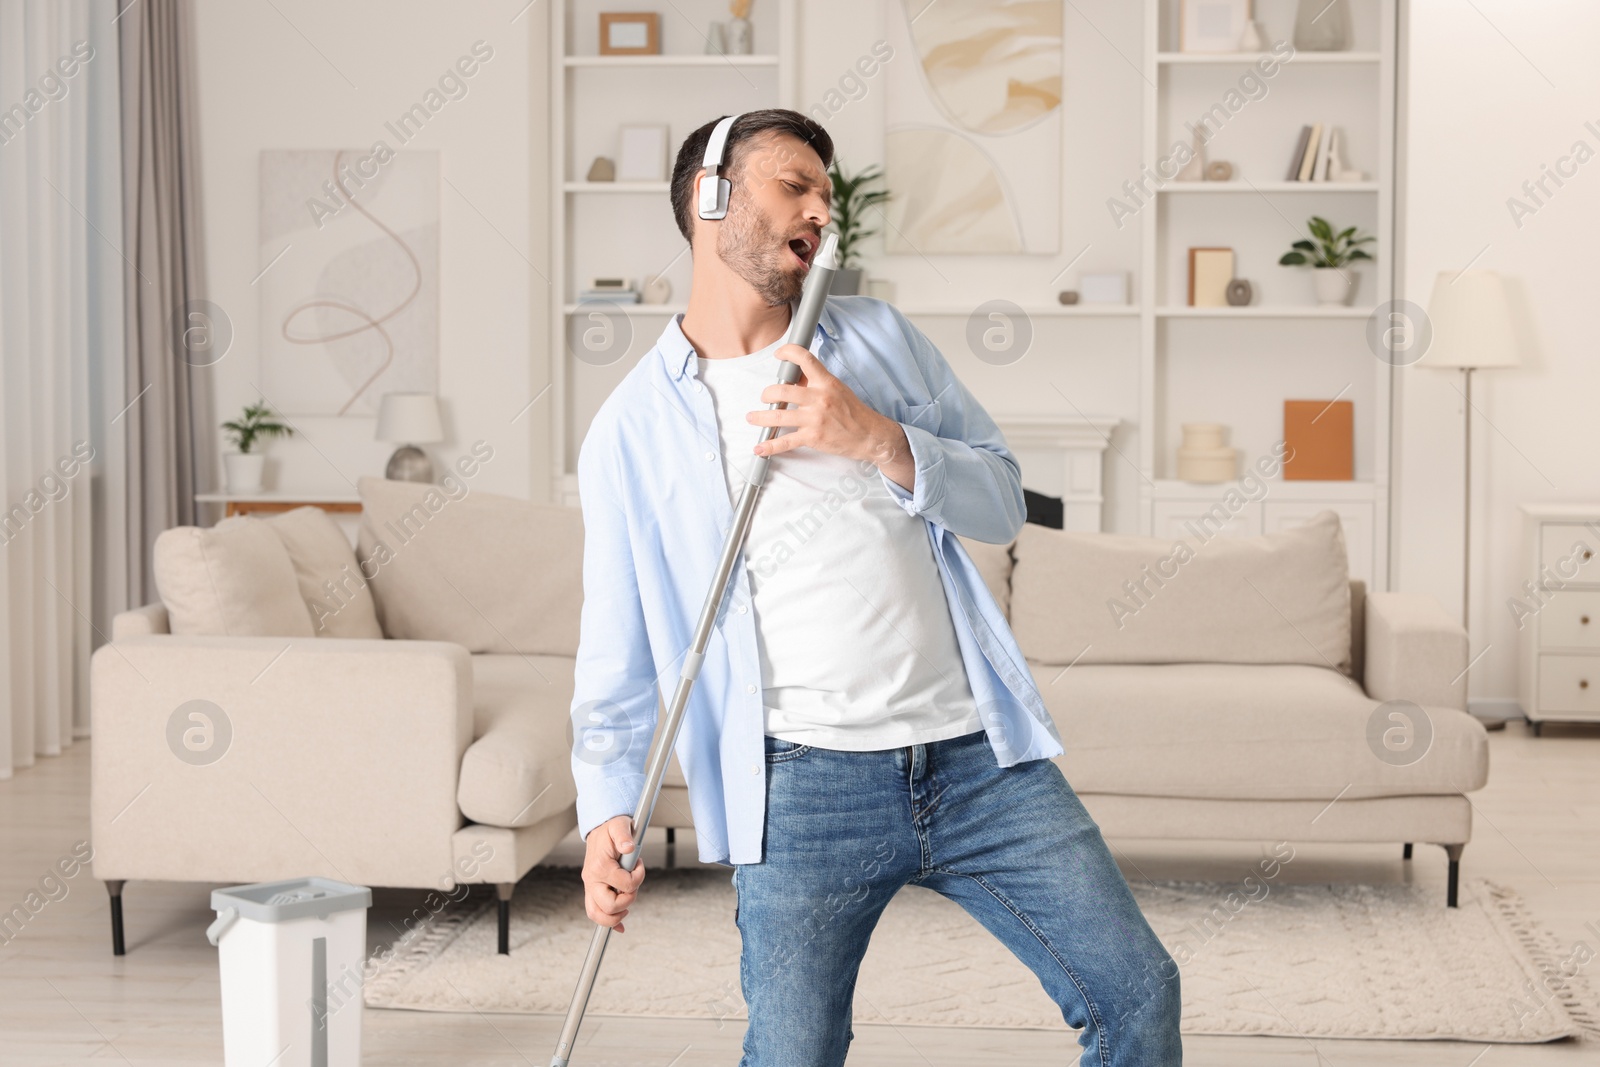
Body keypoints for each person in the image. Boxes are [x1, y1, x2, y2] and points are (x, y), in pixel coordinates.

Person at [569, 109, 1182, 1067]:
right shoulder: (632, 430)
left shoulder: (881, 342)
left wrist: (878, 439)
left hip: (980, 761)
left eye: (829, 195)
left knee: (1137, 992)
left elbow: (1003, 499)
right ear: (712, 197)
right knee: (793, 1053)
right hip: (801, 788)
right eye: (795, 186)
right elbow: (618, 645)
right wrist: (608, 809)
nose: (821, 210)